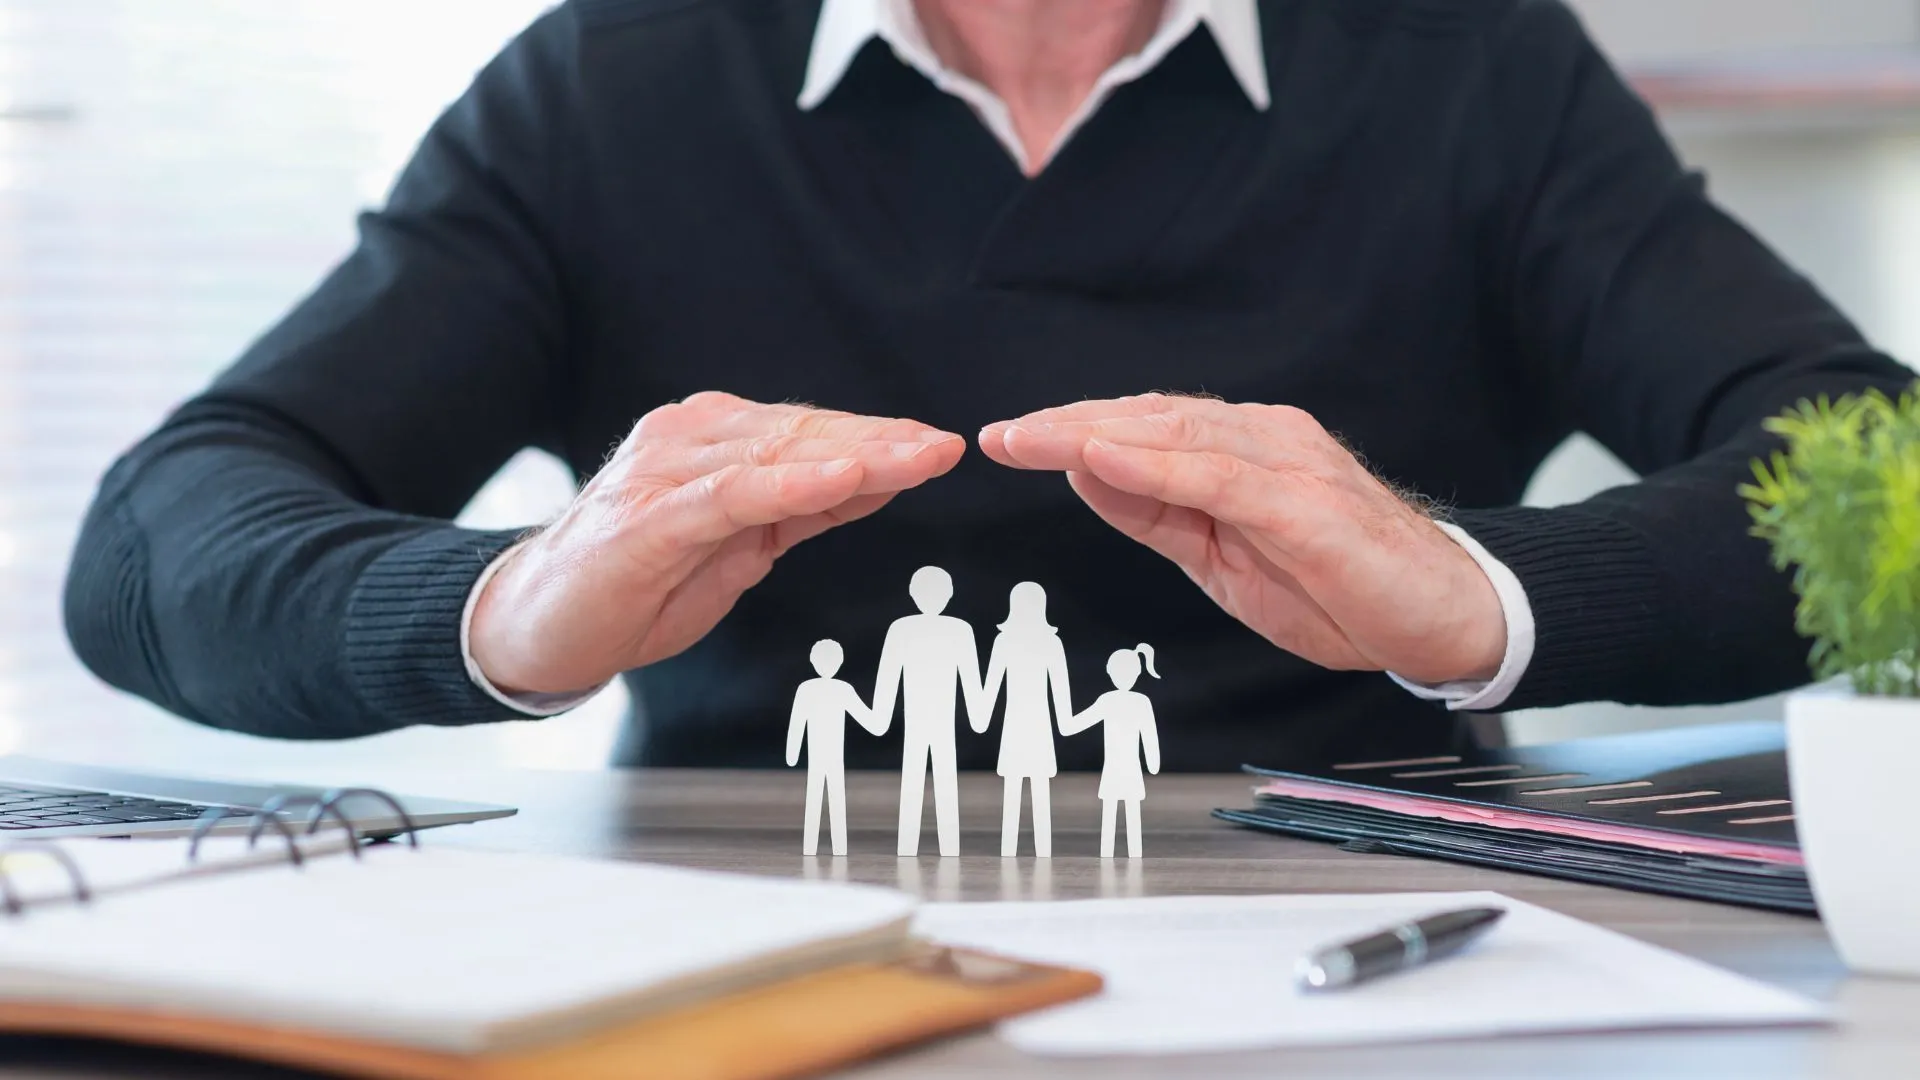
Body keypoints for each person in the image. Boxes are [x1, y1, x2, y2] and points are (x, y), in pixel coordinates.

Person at [63, 0, 1919, 773]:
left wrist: (1494, 594)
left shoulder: (1466, 67)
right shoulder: (619, 80)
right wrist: (496, 602)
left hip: (1370, 954)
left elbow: (1877, 460)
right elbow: (162, 535)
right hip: (730, 962)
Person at [870, 567, 983, 856]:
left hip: (926, 719)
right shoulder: (958, 630)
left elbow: (887, 677)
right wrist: (978, 717)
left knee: (919, 779)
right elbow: (970, 679)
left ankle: (917, 846)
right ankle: (939, 847)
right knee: (939, 779)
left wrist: (879, 716)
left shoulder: (902, 628)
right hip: (933, 719)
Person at [977, 582, 1073, 857]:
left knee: (1021, 788)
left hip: (1022, 724)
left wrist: (981, 718)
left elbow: (991, 686)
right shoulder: (1044, 642)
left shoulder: (1008, 641)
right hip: (1030, 724)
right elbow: (993, 683)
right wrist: (1066, 721)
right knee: (1026, 788)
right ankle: (1025, 849)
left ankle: (1022, 849)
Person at [1062, 644, 1163, 858]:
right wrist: (1153, 763)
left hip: (1118, 770)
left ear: (1110, 671)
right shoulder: (1137, 702)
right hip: (1126, 770)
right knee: (1126, 814)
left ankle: (1114, 854)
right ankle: (1122, 853)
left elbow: (1074, 725)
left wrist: (1063, 716)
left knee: (1115, 815)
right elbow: (1150, 737)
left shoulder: (1112, 701)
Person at [785, 639, 881, 857]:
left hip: (833, 757)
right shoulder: (812, 689)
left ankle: (835, 848)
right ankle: (816, 847)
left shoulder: (835, 689)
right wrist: (792, 751)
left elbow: (865, 717)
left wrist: (878, 722)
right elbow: (798, 722)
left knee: (830, 799)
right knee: (819, 798)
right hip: (821, 756)